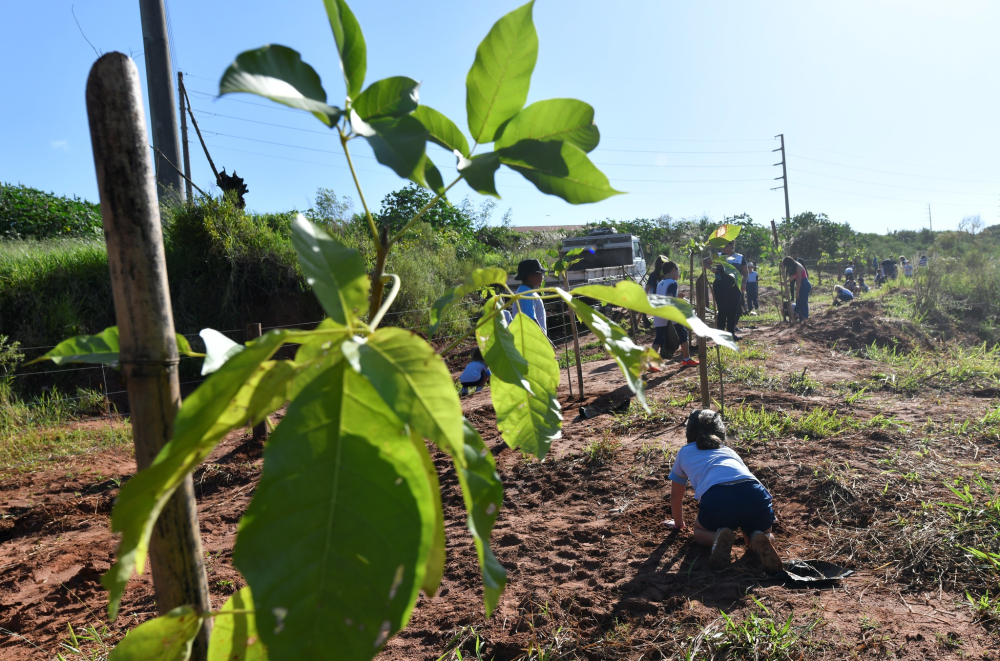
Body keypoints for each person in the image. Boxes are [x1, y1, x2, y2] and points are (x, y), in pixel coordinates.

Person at [664, 409, 782, 572]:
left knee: (699, 532)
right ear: (721, 432)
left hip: (719, 497)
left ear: (688, 433)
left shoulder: (684, 452)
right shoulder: (729, 451)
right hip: (755, 494)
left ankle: (719, 539)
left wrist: (678, 524)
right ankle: (762, 540)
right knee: (759, 532)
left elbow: (676, 496)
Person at [655, 261, 699, 367]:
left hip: (659, 312)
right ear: (673, 270)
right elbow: (670, 298)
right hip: (671, 313)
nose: (678, 274)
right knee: (682, 334)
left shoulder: (660, 283)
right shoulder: (673, 283)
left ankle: (649, 363)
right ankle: (686, 359)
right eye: (678, 272)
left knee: (659, 338)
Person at [514, 259, 548, 334]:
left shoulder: (524, 291)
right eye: (541, 274)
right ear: (532, 276)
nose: (542, 278)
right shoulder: (525, 292)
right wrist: (547, 341)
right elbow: (530, 320)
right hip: (533, 341)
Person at [710, 260, 742, 339]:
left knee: (733, 311)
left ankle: (731, 333)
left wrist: (744, 283)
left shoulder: (739, 257)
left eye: (726, 246)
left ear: (731, 246)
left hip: (735, 286)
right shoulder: (718, 256)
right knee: (722, 310)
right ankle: (720, 335)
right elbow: (704, 261)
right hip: (720, 286)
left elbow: (745, 271)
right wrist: (711, 268)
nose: (724, 247)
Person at [782, 256, 811, 320]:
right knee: (798, 302)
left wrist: (797, 293)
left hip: (804, 284)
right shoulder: (795, 266)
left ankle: (805, 318)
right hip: (801, 284)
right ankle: (801, 317)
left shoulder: (798, 267)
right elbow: (794, 276)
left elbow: (800, 281)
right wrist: (785, 282)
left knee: (803, 302)